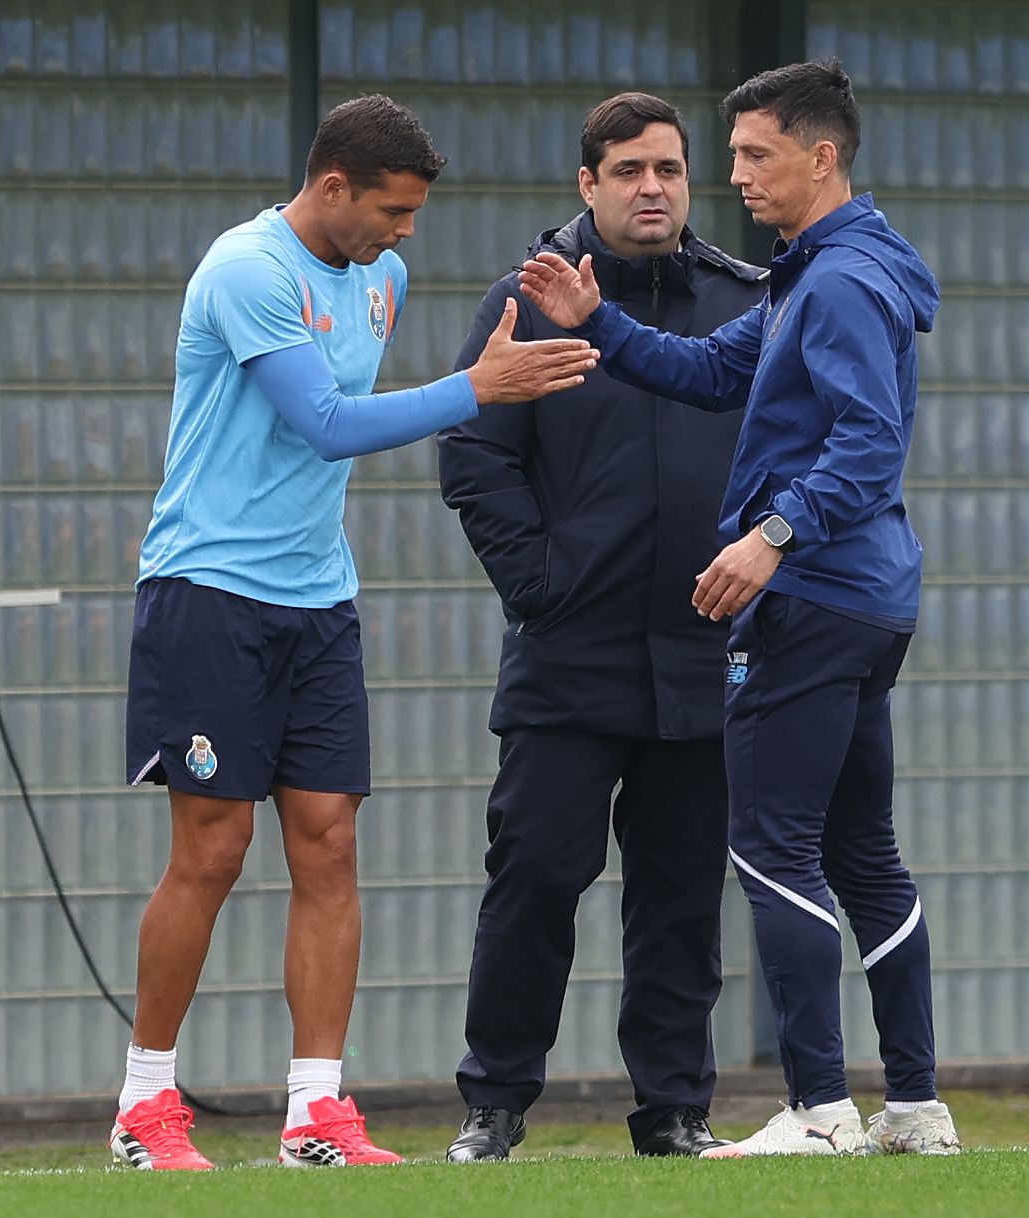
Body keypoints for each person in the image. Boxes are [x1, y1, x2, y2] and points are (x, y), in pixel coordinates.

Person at [113, 93, 600, 1172]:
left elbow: (344, 428)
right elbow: (325, 425)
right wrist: (477, 389)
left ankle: (315, 1118)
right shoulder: (247, 270)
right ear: (332, 186)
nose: (406, 232)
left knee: (329, 843)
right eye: (392, 209)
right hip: (209, 590)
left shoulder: (379, 274)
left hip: (317, 600)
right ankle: (144, 1107)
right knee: (214, 848)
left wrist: (475, 388)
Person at [518, 60, 961, 1157]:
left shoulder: (842, 283)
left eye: (754, 155)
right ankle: (913, 1105)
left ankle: (818, 1110)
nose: (734, 177)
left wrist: (768, 538)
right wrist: (599, 323)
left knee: (771, 850)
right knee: (864, 855)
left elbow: (867, 445)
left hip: (811, 598)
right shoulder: (809, 273)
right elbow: (715, 371)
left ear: (821, 157)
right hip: (866, 601)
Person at [436, 93, 766, 1163]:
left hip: (699, 654)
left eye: (668, 170)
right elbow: (473, 457)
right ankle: (493, 1105)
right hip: (566, 655)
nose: (651, 189)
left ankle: (671, 1112)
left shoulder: (738, 301)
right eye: (626, 171)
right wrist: (539, 584)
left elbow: (795, 441)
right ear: (586, 184)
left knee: (678, 902)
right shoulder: (523, 302)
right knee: (533, 875)